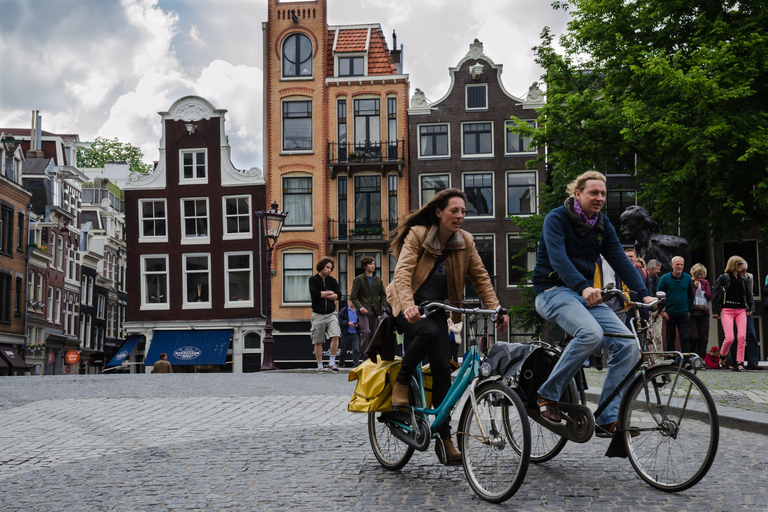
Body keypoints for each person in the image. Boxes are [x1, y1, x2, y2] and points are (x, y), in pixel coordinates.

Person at [387, 188, 509, 464]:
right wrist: (407, 304)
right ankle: (402, 381)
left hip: (438, 309)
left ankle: (444, 438)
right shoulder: (418, 234)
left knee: (444, 368)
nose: (460, 216)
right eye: (454, 210)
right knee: (427, 332)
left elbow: (481, 278)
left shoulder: (465, 241)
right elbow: (403, 274)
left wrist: (495, 308)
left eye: (463, 211)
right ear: (439, 212)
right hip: (407, 305)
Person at [532, 171, 652, 437]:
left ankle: (606, 418)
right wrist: (584, 286)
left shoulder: (602, 224)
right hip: (552, 291)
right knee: (591, 333)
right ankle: (547, 394)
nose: (599, 198)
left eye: (603, 194)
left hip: (585, 295)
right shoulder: (557, 218)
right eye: (593, 193)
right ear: (578, 194)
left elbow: (621, 260)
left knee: (629, 346)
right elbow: (559, 259)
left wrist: (644, 295)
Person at [712, 255, 754, 373]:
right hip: (727, 310)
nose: (742, 266)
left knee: (742, 337)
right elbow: (715, 293)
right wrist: (715, 311)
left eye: (742, 264)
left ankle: (739, 362)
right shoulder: (724, 277)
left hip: (741, 310)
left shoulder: (743, 279)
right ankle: (722, 356)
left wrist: (751, 307)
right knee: (730, 337)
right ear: (733, 265)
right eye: (739, 264)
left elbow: (748, 294)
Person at [349, 256, 388, 358]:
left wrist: (383, 305)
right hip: (363, 311)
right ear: (365, 266)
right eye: (371, 264)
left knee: (374, 334)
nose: (373, 266)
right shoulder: (359, 279)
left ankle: (372, 356)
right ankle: (365, 356)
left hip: (376, 310)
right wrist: (360, 307)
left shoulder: (378, 280)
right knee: (366, 331)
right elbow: (353, 296)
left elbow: (383, 295)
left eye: (374, 264)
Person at [658, 256, 694, 363]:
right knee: (670, 339)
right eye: (677, 264)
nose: (679, 267)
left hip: (683, 312)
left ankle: (686, 361)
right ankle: (670, 361)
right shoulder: (665, 278)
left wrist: (689, 311)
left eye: (681, 265)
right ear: (672, 265)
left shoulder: (687, 278)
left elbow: (690, 296)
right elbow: (660, 296)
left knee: (685, 337)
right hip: (669, 313)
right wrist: (662, 311)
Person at [308, 257, 341, 373]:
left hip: (331, 313)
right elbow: (315, 294)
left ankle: (331, 362)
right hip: (318, 314)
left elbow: (339, 296)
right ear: (321, 267)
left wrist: (323, 295)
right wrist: (329, 292)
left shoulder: (332, 281)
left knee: (336, 335)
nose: (329, 270)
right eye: (327, 267)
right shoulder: (313, 280)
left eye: (330, 268)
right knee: (318, 340)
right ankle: (320, 365)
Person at [739, 261, 760, 370]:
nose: (743, 273)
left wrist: (751, 308)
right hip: (735, 308)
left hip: (746, 307)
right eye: (741, 271)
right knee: (736, 335)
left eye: (744, 271)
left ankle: (753, 361)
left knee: (751, 333)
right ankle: (737, 362)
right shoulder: (729, 277)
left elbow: (750, 293)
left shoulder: (749, 277)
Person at [689, 263, 712, 359]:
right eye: (697, 274)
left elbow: (709, 296)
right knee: (693, 336)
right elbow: (689, 295)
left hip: (703, 313)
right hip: (692, 313)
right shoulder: (689, 281)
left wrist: (700, 287)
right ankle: (690, 356)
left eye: (701, 274)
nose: (699, 276)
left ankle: (701, 359)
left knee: (703, 338)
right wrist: (694, 286)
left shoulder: (705, 282)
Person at [646, 259, 664, 355]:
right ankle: (647, 359)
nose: (659, 271)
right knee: (646, 337)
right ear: (651, 268)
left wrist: (661, 309)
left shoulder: (659, 280)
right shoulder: (643, 279)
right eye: (658, 269)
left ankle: (659, 359)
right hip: (646, 311)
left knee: (657, 336)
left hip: (657, 312)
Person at [338, 299, 361, 368]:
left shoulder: (358, 310)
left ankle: (356, 365)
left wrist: (357, 325)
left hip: (355, 333)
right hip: (346, 333)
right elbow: (340, 320)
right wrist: (347, 323)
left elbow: (362, 321)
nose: (354, 304)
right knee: (343, 350)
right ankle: (341, 364)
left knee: (356, 349)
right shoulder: (344, 310)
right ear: (349, 301)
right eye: (353, 302)